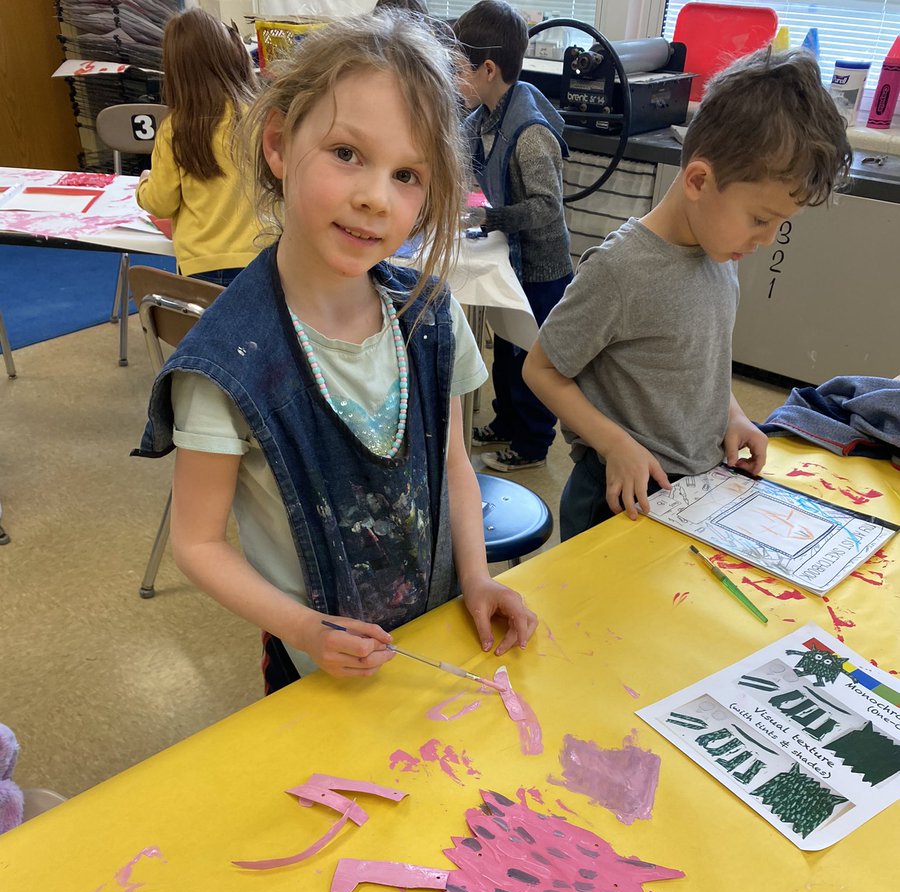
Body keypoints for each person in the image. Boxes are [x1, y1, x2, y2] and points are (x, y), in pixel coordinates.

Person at [136, 11, 537, 693]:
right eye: (348, 154)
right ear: (279, 147)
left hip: (438, 644)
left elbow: (454, 466)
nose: (374, 198)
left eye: (407, 174)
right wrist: (302, 629)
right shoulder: (228, 363)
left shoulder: (431, 315)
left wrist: (476, 579)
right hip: (313, 667)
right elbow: (196, 544)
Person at [522, 47, 852, 537]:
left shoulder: (721, 253)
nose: (764, 240)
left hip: (697, 486)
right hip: (622, 496)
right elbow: (541, 369)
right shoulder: (620, 271)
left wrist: (732, 415)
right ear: (699, 180)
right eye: (760, 219)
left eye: (779, 226)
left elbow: (701, 363)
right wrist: (613, 443)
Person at [454, 0, 573, 472]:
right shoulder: (486, 114)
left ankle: (532, 444)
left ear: (487, 69)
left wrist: (490, 218)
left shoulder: (529, 134)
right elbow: (457, 150)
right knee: (506, 347)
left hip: (542, 268)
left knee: (530, 359)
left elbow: (547, 208)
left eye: (458, 69)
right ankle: (506, 421)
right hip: (514, 259)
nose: (454, 78)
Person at [136, 8, 263, 286]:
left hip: (202, 261)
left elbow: (160, 203)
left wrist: (144, 186)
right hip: (264, 256)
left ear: (175, 71)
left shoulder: (177, 127)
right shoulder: (262, 117)